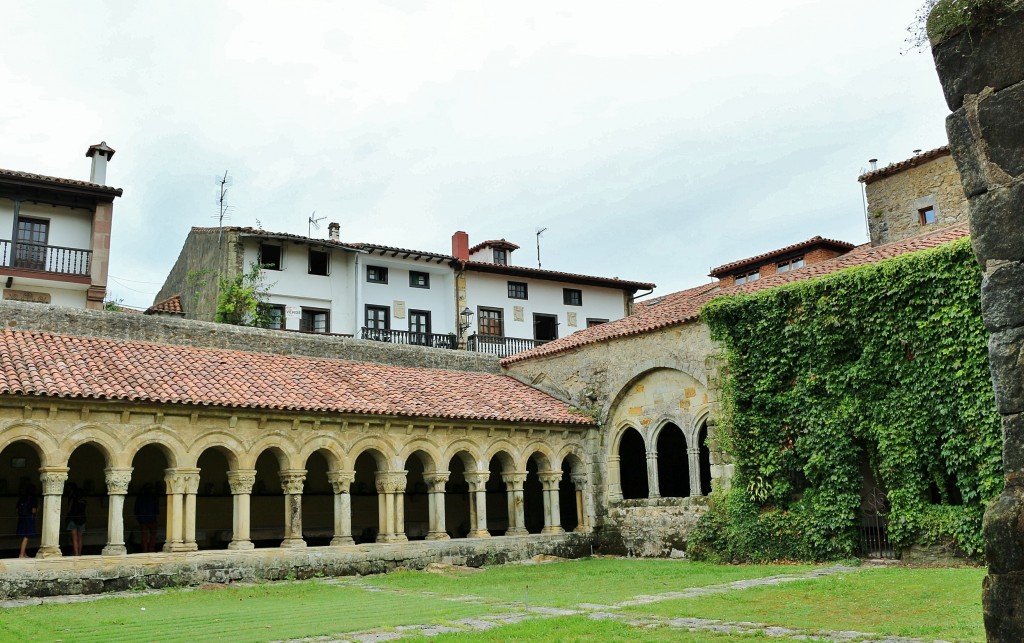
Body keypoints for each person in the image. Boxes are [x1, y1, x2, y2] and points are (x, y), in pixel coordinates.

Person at [134, 483, 159, 553]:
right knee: (153, 534)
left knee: (144, 535)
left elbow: (136, 509)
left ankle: (145, 549)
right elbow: (156, 509)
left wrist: (138, 518)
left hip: (142, 519)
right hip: (152, 518)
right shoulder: (153, 497)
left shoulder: (140, 497)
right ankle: (151, 549)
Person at [16, 483, 38, 558]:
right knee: (26, 536)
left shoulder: (22, 498)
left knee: (22, 535)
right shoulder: (33, 498)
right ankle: (21, 554)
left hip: (21, 518)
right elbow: (33, 510)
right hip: (28, 518)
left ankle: (23, 553)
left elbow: (17, 509)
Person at [65, 482, 87, 556]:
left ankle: (76, 554)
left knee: (74, 538)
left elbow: (69, 509)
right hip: (82, 519)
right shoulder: (84, 501)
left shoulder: (72, 499)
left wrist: (67, 516)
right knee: (80, 538)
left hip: (73, 519)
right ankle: (79, 553)